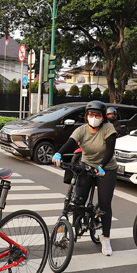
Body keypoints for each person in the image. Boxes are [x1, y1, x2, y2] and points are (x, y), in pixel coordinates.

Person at [52, 100, 118, 256]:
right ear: (86, 116)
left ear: (103, 117)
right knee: (78, 200)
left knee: (104, 205)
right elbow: (70, 143)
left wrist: (101, 165)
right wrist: (59, 153)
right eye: (91, 114)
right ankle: (76, 230)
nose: (93, 117)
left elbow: (109, 150)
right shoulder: (82, 130)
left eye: (97, 115)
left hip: (106, 168)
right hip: (86, 166)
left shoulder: (108, 129)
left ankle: (106, 238)